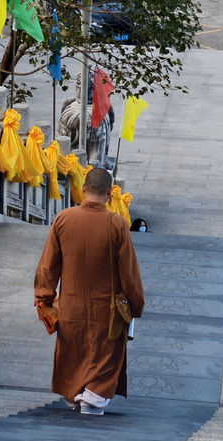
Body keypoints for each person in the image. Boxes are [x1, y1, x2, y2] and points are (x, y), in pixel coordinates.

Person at [34, 168, 144, 416]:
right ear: (108, 193)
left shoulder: (63, 218)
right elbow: (129, 273)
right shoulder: (116, 224)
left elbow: (48, 265)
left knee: (74, 352)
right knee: (103, 354)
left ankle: (75, 394)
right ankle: (93, 396)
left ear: (83, 188)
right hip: (105, 311)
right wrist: (136, 305)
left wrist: (44, 298)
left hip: (70, 306)